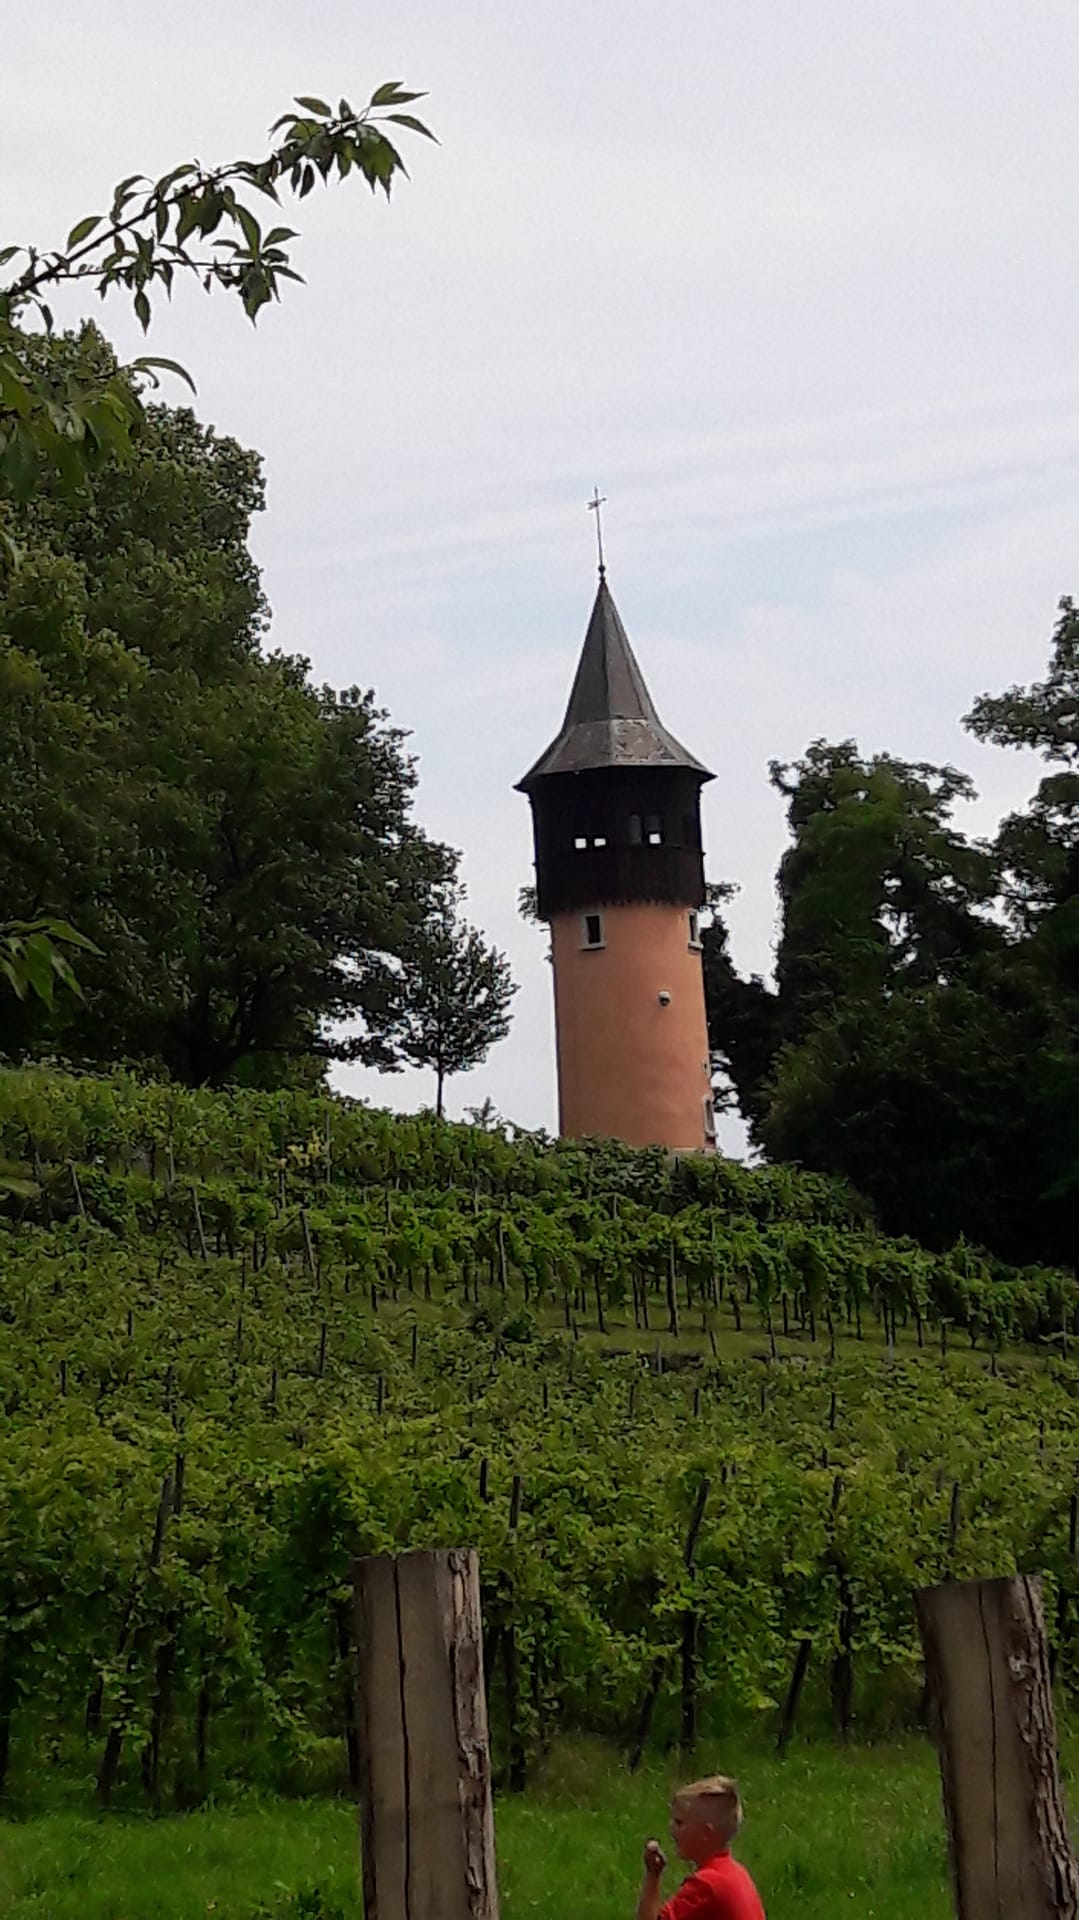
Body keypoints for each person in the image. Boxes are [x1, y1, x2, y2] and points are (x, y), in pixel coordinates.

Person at [636, 1774, 765, 1920]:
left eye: (679, 1823)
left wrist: (653, 1875)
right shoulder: (737, 1873)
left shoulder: (706, 1885)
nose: (671, 1830)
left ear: (706, 1833)